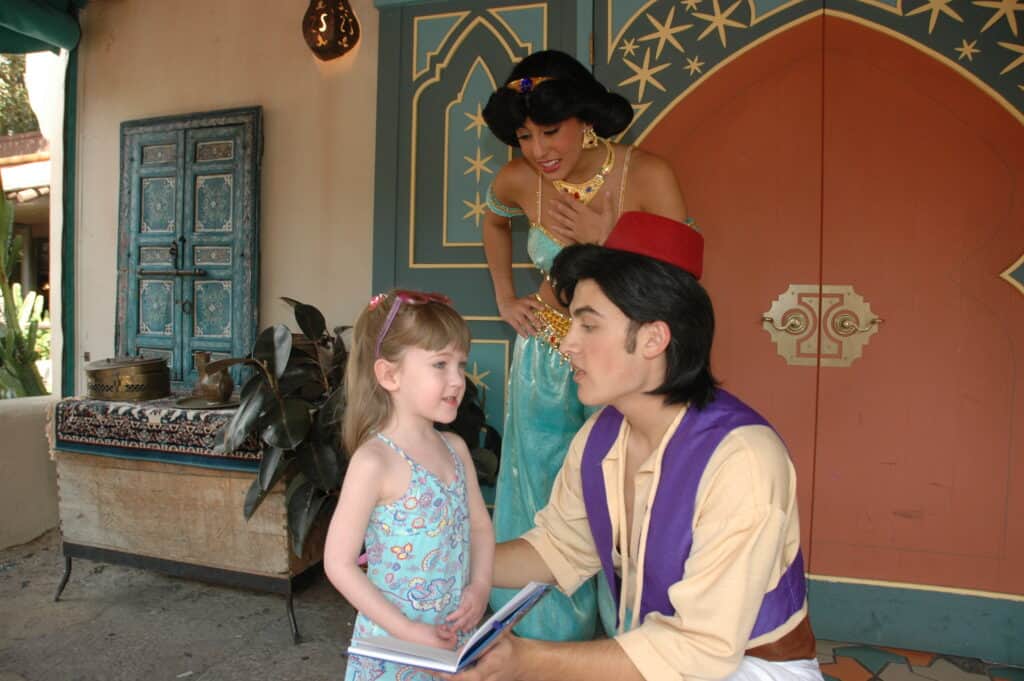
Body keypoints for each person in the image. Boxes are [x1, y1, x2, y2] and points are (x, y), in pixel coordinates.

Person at [445, 212, 822, 681]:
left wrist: (529, 660)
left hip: (751, 669)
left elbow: (700, 651)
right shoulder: (601, 438)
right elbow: (556, 550)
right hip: (653, 656)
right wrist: (439, 555)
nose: (568, 346)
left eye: (588, 326)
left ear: (653, 338)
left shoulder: (741, 460)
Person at [481, 49, 689, 641]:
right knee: (543, 491)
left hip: (627, 364)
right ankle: (541, 633)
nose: (539, 150)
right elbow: (494, 220)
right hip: (546, 356)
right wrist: (504, 297)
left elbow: (684, 275)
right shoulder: (518, 179)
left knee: (621, 491)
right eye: (524, 135)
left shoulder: (647, 174)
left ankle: (625, 636)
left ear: (584, 117)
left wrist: (609, 239)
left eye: (550, 130)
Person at [324, 290, 495, 681]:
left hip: (450, 635)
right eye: (440, 364)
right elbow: (338, 563)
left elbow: (480, 527)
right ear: (390, 375)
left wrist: (481, 586)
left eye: (460, 364)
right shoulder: (375, 462)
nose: (457, 380)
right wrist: (408, 632)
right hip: (395, 646)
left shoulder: (455, 449)